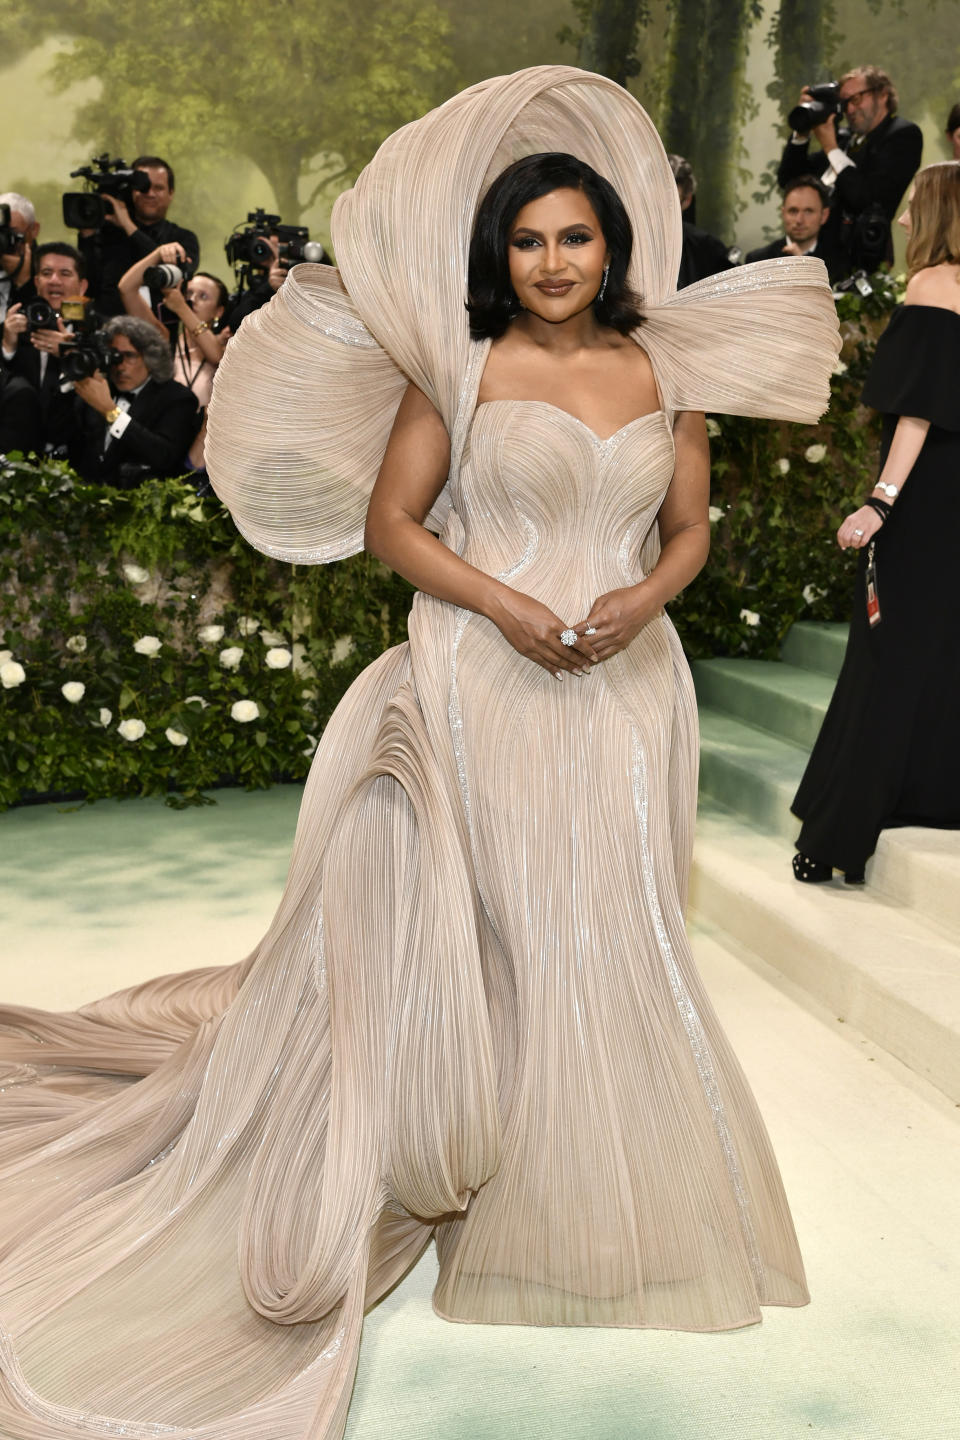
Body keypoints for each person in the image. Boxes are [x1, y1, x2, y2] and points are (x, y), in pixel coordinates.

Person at [0, 68, 839, 1438]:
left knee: (608, 926)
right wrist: (507, 605)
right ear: (497, 256)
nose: (555, 263)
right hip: (479, 669)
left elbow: (686, 530)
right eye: (529, 241)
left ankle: (581, 1207)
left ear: (612, 247)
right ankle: (470, 1178)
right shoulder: (460, 365)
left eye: (576, 237)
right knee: (496, 931)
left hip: (630, 685)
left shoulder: (669, 366)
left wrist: (641, 598)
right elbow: (398, 524)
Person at [792, 161, 960, 884]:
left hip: (925, 500)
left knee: (885, 658)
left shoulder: (932, 287)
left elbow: (916, 411)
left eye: (910, 203)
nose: (896, 218)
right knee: (938, 654)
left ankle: (836, 838)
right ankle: (921, 798)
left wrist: (881, 501)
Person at [778, 66, 922, 272]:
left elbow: (868, 200)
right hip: (813, 257)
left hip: (858, 262)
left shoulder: (902, 135)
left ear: (882, 95)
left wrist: (831, 148)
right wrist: (801, 134)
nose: (850, 110)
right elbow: (790, 180)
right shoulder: (843, 139)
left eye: (855, 99)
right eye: (844, 104)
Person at [118, 244, 229, 471]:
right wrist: (158, 254)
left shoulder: (227, 349)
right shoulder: (163, 341)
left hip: (200, 459)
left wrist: (181, 308)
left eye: (203, 296)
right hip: (155, 447)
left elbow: (215, 356)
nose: (192, 300)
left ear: (218, 311)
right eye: (188, 293)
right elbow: (126, 288)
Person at [68, 313, 200, 485]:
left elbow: (163, 456)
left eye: (129, 356)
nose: (120, 365)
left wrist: (111, 412)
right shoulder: (99, 388)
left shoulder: (178, 399)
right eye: (114, 355)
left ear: (151, 358)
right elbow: (63, 438)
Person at [77, 155, 200, 324]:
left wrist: (128, 226)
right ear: (131, 191)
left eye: (158, 188)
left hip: (157, 338)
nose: (150, 194)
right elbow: (87, 287)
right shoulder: (106, 235)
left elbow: (176, 272)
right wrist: (88, 237)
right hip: (106, 333)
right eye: (143, 187)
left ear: (171, 193)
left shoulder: (182, 238)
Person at [1, 242, 90, 455]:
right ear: (36, 282)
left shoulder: (95, 332)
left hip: (73, 456)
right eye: (47, 273)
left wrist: (70, 356)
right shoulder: (14, 326)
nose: (54, 281)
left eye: (65, 273)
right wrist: (7, 347)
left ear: (82, 286)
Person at [746, 175, 845, 283]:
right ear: (783, 214)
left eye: (808, 211)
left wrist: (803, 267)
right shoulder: (758, 261)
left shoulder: (840, 263)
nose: (799, 220)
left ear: (824, 216)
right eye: (793, 211)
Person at [668, 153, 735, 288]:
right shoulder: (626, 240)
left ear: (687, 201)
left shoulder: (708, 248)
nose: (660, 207)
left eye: (670, 200)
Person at [0, 191, 37, 321]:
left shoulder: (47, 270)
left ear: (33, 230)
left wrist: (23, 283)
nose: (3, 240)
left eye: (13, 233)